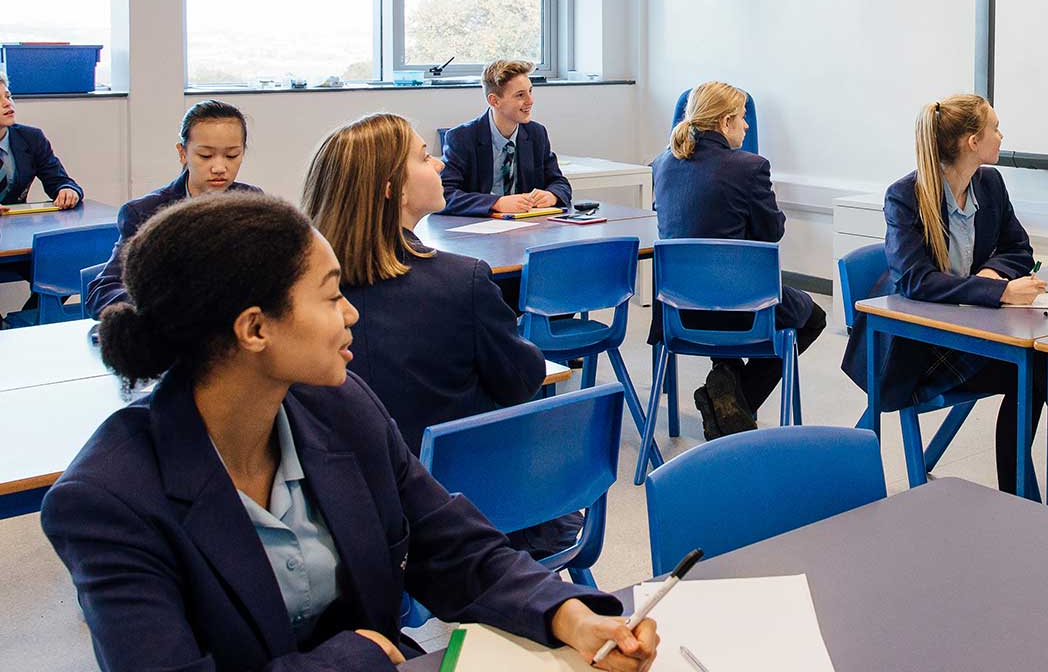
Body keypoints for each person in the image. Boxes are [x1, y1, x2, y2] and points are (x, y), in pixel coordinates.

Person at [41, 192, 657, 671]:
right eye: (332, 295)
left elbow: (450, 543)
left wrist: (568, 614)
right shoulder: (107, 501)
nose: (352, 312)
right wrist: (352, 658)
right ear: (255, 329)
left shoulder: (339, 405)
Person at [303, 113, 579, 559]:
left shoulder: (300, 298)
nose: (438, 165)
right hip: (459, 512)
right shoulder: (461, 282)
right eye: (423, 156)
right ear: (393, 189)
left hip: (344, 518)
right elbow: (521, 379)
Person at [842, 93, 1048, 499]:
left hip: (971, 329)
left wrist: (991, 274)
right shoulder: (905, 196)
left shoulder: (989, 184)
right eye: (995, 128)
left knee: (1045, 363)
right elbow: (916, 280)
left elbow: (1019, 248)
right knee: (1035, 371)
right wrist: (998, 290)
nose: (1001, 136)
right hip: (916, 349)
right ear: (973, 141)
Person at [650, 81, 826, 439]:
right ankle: (732, 399)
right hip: (741, 309)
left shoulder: (662, 163)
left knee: (721, 304)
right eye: (742, 118)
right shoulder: (750, 167)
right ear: (725, 121)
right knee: (814, 317)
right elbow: (771, 232)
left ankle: (725, 385)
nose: (747, 126)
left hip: (677, 310)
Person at [86, 100, 260, 318]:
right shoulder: (145, 213)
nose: (219, 167)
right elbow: (102, 292)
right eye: (205, 156)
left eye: (232, 155)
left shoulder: (253, 204)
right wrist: (166, 306)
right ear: (182, 153)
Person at [441, 59, 572, 217]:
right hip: (478, 226)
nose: (530, 101)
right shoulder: (462, 137)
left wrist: (552, 195)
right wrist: (496, 203)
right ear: (494, 101)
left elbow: (559, 182)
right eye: (520, 95)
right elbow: (444, 195)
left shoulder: (536, 133)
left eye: (530, 91)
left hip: (528, 224)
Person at [0, 73, 83, 210]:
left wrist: (67, 190)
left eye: (8, 97)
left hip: (16, 221)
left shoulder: (31, 138)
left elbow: (58, 180)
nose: (7, 103)